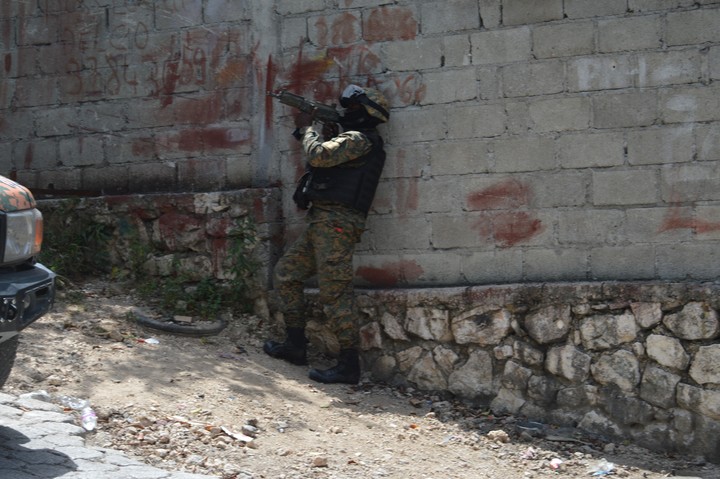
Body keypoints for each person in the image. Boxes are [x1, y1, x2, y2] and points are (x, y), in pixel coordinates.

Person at [263, 84, 390, 384]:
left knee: (334, 292)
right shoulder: (352, 138)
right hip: (323, 221)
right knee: (286, 274)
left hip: (337, 225)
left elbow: (319, 155)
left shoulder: (361, 139)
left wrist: (309, 129)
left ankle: (349, 366)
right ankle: (295, 345)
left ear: (366, 113)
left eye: (353, 107)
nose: (347, 111)